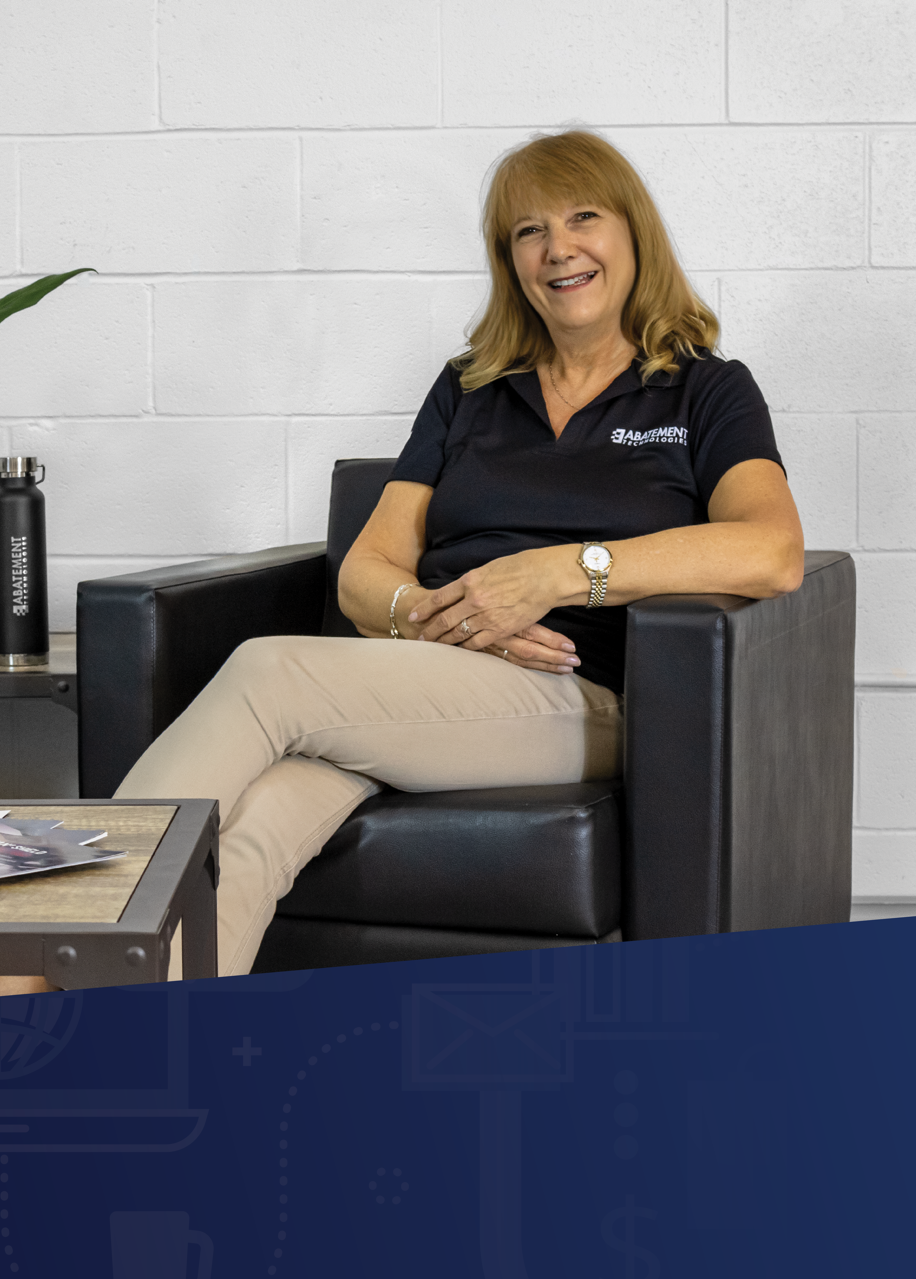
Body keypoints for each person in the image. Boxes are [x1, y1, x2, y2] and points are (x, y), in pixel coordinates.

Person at [68, 128, 805, 983]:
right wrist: (437, 618)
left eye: (583, 218)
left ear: (633, 232)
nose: (558, 248)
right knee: (261, 820)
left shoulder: (706, 389)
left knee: (269, 674)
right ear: (509, 260)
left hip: (584, 693)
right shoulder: (470, 387)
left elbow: (773, 549)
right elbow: (365, 570)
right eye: (529, 231)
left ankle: (47, 946)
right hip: (435, 677)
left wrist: (563, 572)